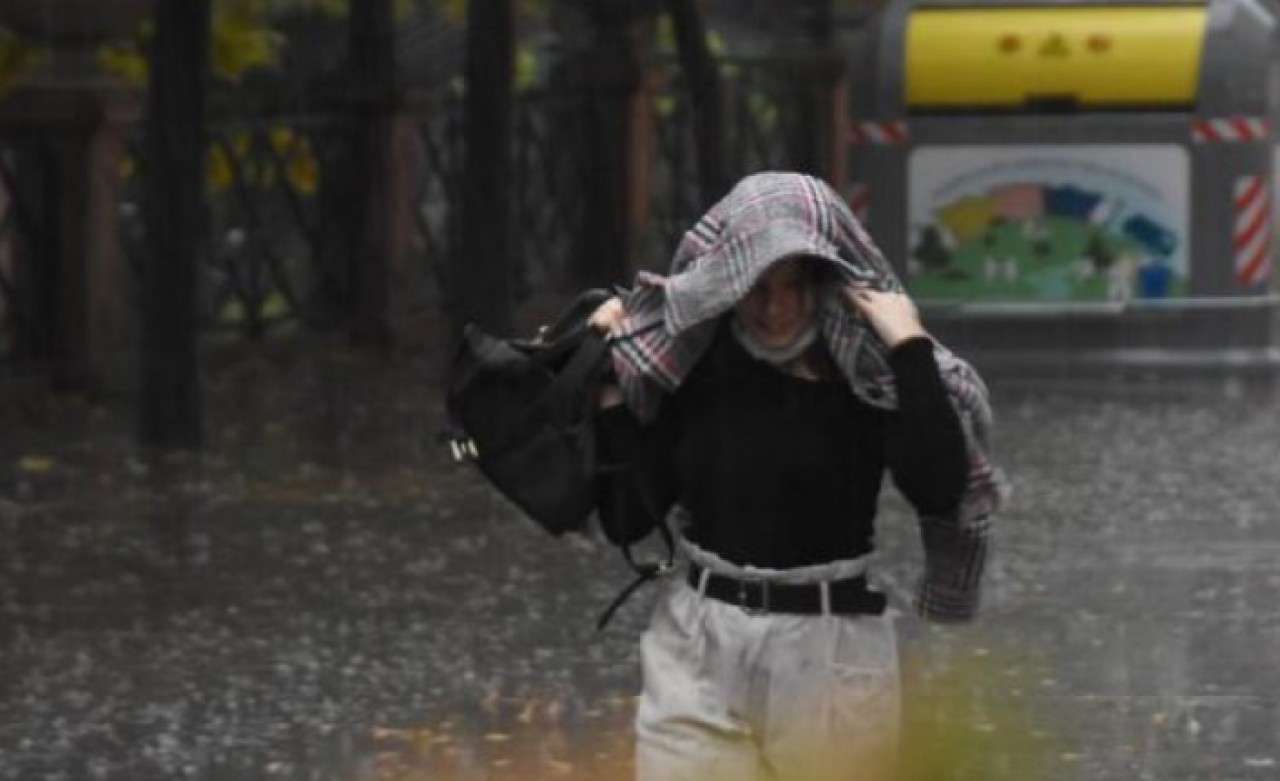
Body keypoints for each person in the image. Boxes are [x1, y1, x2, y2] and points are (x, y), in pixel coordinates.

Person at [586, 172, 1006, 781]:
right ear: (727, 282)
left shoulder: (864, 371)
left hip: (830, 648)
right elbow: (629, 515)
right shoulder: (695, 360)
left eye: (793, 285)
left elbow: (938, 487)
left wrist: (909, 345)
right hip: (698, 642)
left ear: (821, 285)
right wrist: (609, 384)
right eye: (756, 285)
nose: (774, 307)